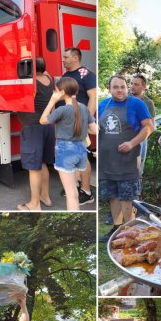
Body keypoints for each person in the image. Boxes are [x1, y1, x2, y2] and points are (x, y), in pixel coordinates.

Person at [98, 74, 153, 241]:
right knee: (113, 196)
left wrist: (131, 143)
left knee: (127, 198)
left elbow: (149, 127)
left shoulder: (137, 104)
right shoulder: (102, 104)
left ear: (126, 87)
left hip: (128, 160)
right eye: (115, 87)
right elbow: (96, 126)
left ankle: (130, 231)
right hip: (107, 161)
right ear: (110, 89)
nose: (119, 90)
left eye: (122, 86)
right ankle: (116, 229)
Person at [39, 77, 96, 211]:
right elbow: (94, 129)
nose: (55, 92)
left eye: (57, 90)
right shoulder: (83, 108)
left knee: (70, 194)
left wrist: (52, 101)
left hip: (65, 151)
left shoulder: (62, 110)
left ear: (62, 92)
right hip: (81, 150)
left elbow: (42, 120)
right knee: (74, 192)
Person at [16, 57, 56, 211]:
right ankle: (45, 197)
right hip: (47, 126)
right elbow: (43, 70)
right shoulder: (48, 78)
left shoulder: (31, 83)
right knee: (43, 163)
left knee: (34, 167)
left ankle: (34, 204)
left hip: (33, 127)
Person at [60, 47, 97, 205]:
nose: (63, 59)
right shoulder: (66, 75)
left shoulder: (86, 74)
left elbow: (93, 97)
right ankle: (74, 186)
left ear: (75, 58)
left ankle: (87, 192)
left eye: (66, 57)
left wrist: (86, 120)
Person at [130, 73, 156, 175]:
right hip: (123, 136)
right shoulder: (123, 98)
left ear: (143, 86)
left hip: (140, 139)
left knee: (137, 169)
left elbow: (152, 126)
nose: (132, 86)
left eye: (136, 84)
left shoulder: (148, 102)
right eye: (131, 83)